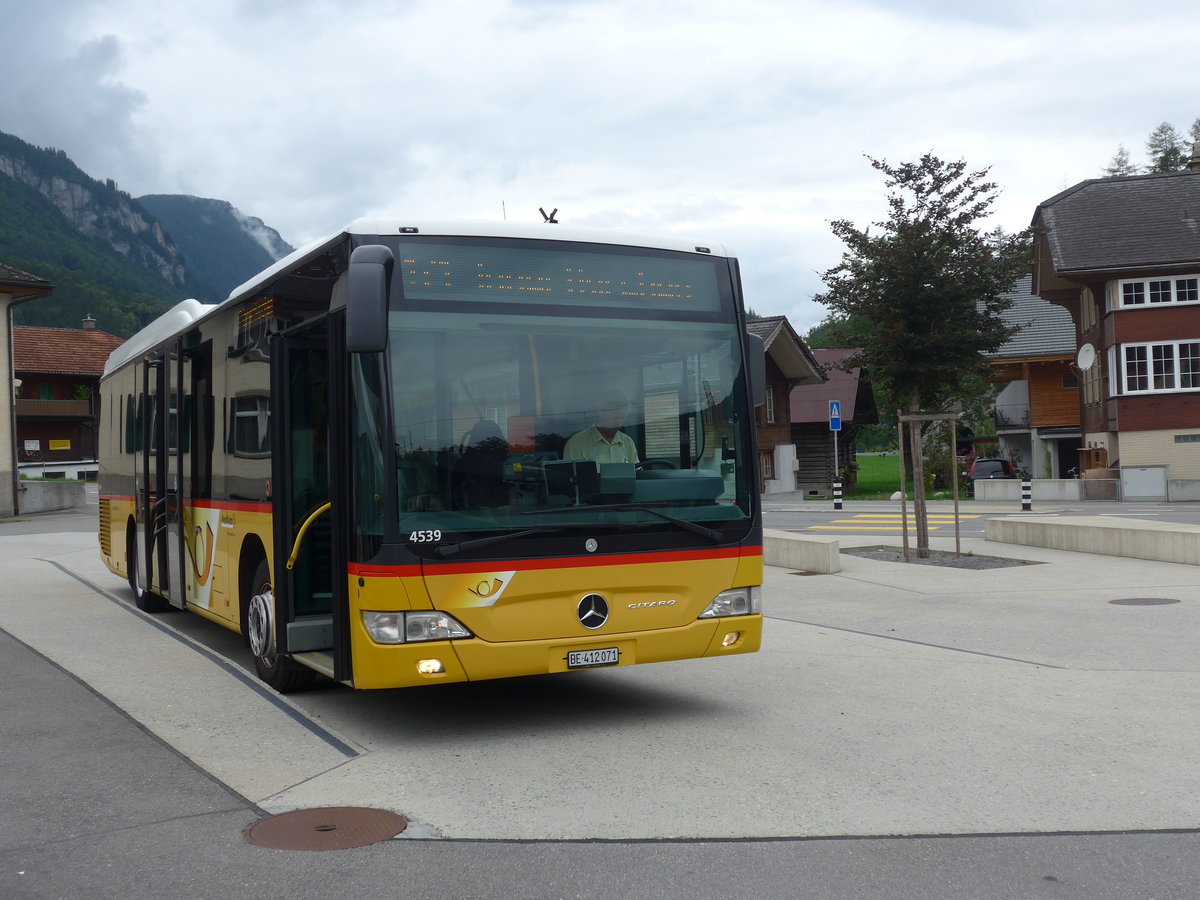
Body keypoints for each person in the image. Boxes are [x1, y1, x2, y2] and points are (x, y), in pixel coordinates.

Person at [563, 393, 640, 464]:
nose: (619, 424)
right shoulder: (576, 444)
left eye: (622, 418)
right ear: (602, 412)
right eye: (616, 418)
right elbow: (569, 477)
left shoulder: (628, 443)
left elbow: (636, 474)